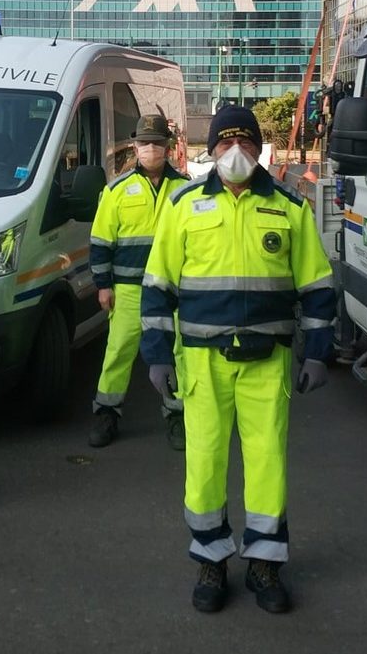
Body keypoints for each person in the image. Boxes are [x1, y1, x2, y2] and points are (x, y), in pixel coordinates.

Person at [141, 105, 337, 615]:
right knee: (204, 466)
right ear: (211, 151)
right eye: (225, 144)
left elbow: (317, 288)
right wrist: (158, 356)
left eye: (245, 144)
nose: (235, 154)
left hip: (267, 362)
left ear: (260, 149)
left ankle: (266, 565)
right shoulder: (183, 207)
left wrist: (317, 353)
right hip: (203, 363)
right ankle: (210, 560)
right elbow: (157, 288)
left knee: (267, 464)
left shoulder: (290, 209)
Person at [87, 114, 189, 449]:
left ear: (168, 147)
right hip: (129, 291)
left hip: (173, 291)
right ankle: (107, 413)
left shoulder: (186, 189)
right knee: (118, 352)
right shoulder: (116, 190)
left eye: (157, 143)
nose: (150, 148)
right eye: (144, 143)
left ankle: (176, 415)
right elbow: (101, 242)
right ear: (134, 146)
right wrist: (103, 285)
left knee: (176, 354)